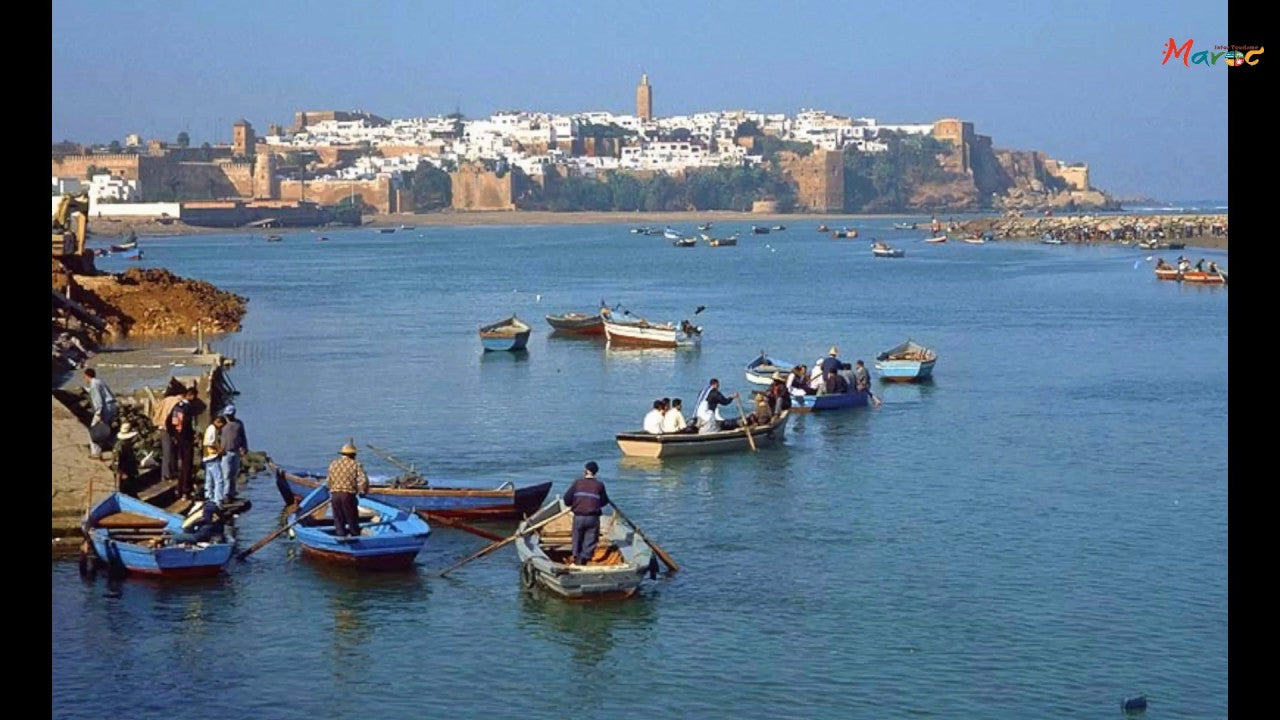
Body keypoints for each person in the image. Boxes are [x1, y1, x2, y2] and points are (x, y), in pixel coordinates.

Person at [562, 461, 611, 566]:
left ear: (586, 471)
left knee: (577, 537)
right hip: (593, 518)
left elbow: (566, 500)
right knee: (591, 538)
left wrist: (575, 503)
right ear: (595, 472)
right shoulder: (599, 485)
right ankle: (584, 558)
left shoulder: (577, 483)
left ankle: (576, 557)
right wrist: (594, 505)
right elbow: (604, 501)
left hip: (579, 516)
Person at [326, 441, 370, 539]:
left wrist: (332, 488)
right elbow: (363, 481)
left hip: (335, 495)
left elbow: (328, 482)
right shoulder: (356, 464)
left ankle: (341, 537)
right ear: (353, 454)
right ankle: (355, 537)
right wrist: (363, 491)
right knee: (352, 518)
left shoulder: (333, 464)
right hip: (348, 495)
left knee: (338, 519)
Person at [167, 386, 199, 499]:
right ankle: (185, 489)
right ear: (190, 395)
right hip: (185, 439)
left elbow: (171, 423)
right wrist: (180, 437)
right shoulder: (183, 408)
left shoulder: (182, 407)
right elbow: (179, 424)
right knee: (186, 465)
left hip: (183, 438)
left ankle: (182, 488)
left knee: (185, 465)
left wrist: (175, 436)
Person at [150, 387, 184, 483]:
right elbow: (176, 418)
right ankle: (166, 475)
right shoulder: (177, 402)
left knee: (168, 451)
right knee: (169, 451)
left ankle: (169, 473)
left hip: (162, 427)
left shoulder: (166, 400)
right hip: (168, 428)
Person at [84, 368, 117, 459]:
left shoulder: (93, 385)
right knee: (105, 429)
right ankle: (113, 448)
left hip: (104, 408)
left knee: (94, 430)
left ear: (87, 376)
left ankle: (96, 453)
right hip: (111, 406)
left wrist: (98, 413)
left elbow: (98, 400)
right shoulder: (99, 381)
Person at [219, 404, 248, 500]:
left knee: (234, 474)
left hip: (235, 452)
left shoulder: (239, 423)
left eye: (230, 414)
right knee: (226, 474)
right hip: (225, 453)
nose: (228, 416)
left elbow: (243, 436)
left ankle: (232, 492)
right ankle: (225, 494)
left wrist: (244, 448)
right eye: (227, 415)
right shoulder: (222, 424)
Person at [202, 416, 227, 506]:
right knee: (219, 479)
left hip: (207, 457)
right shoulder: (212, 429)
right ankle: (218, 500)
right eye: (222, 425)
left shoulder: (211, 429)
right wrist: (219, 450)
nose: (221, 428)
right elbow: (209, 443)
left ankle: (208, 497)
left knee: (209, 479)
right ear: (218, 422)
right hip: (211, 456)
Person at [113, 422, 140, 490]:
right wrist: (122, 473)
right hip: (124, 474)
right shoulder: (120, 446)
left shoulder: (127, 445)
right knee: (125, 490)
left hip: (130, 471)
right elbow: (116, 462)